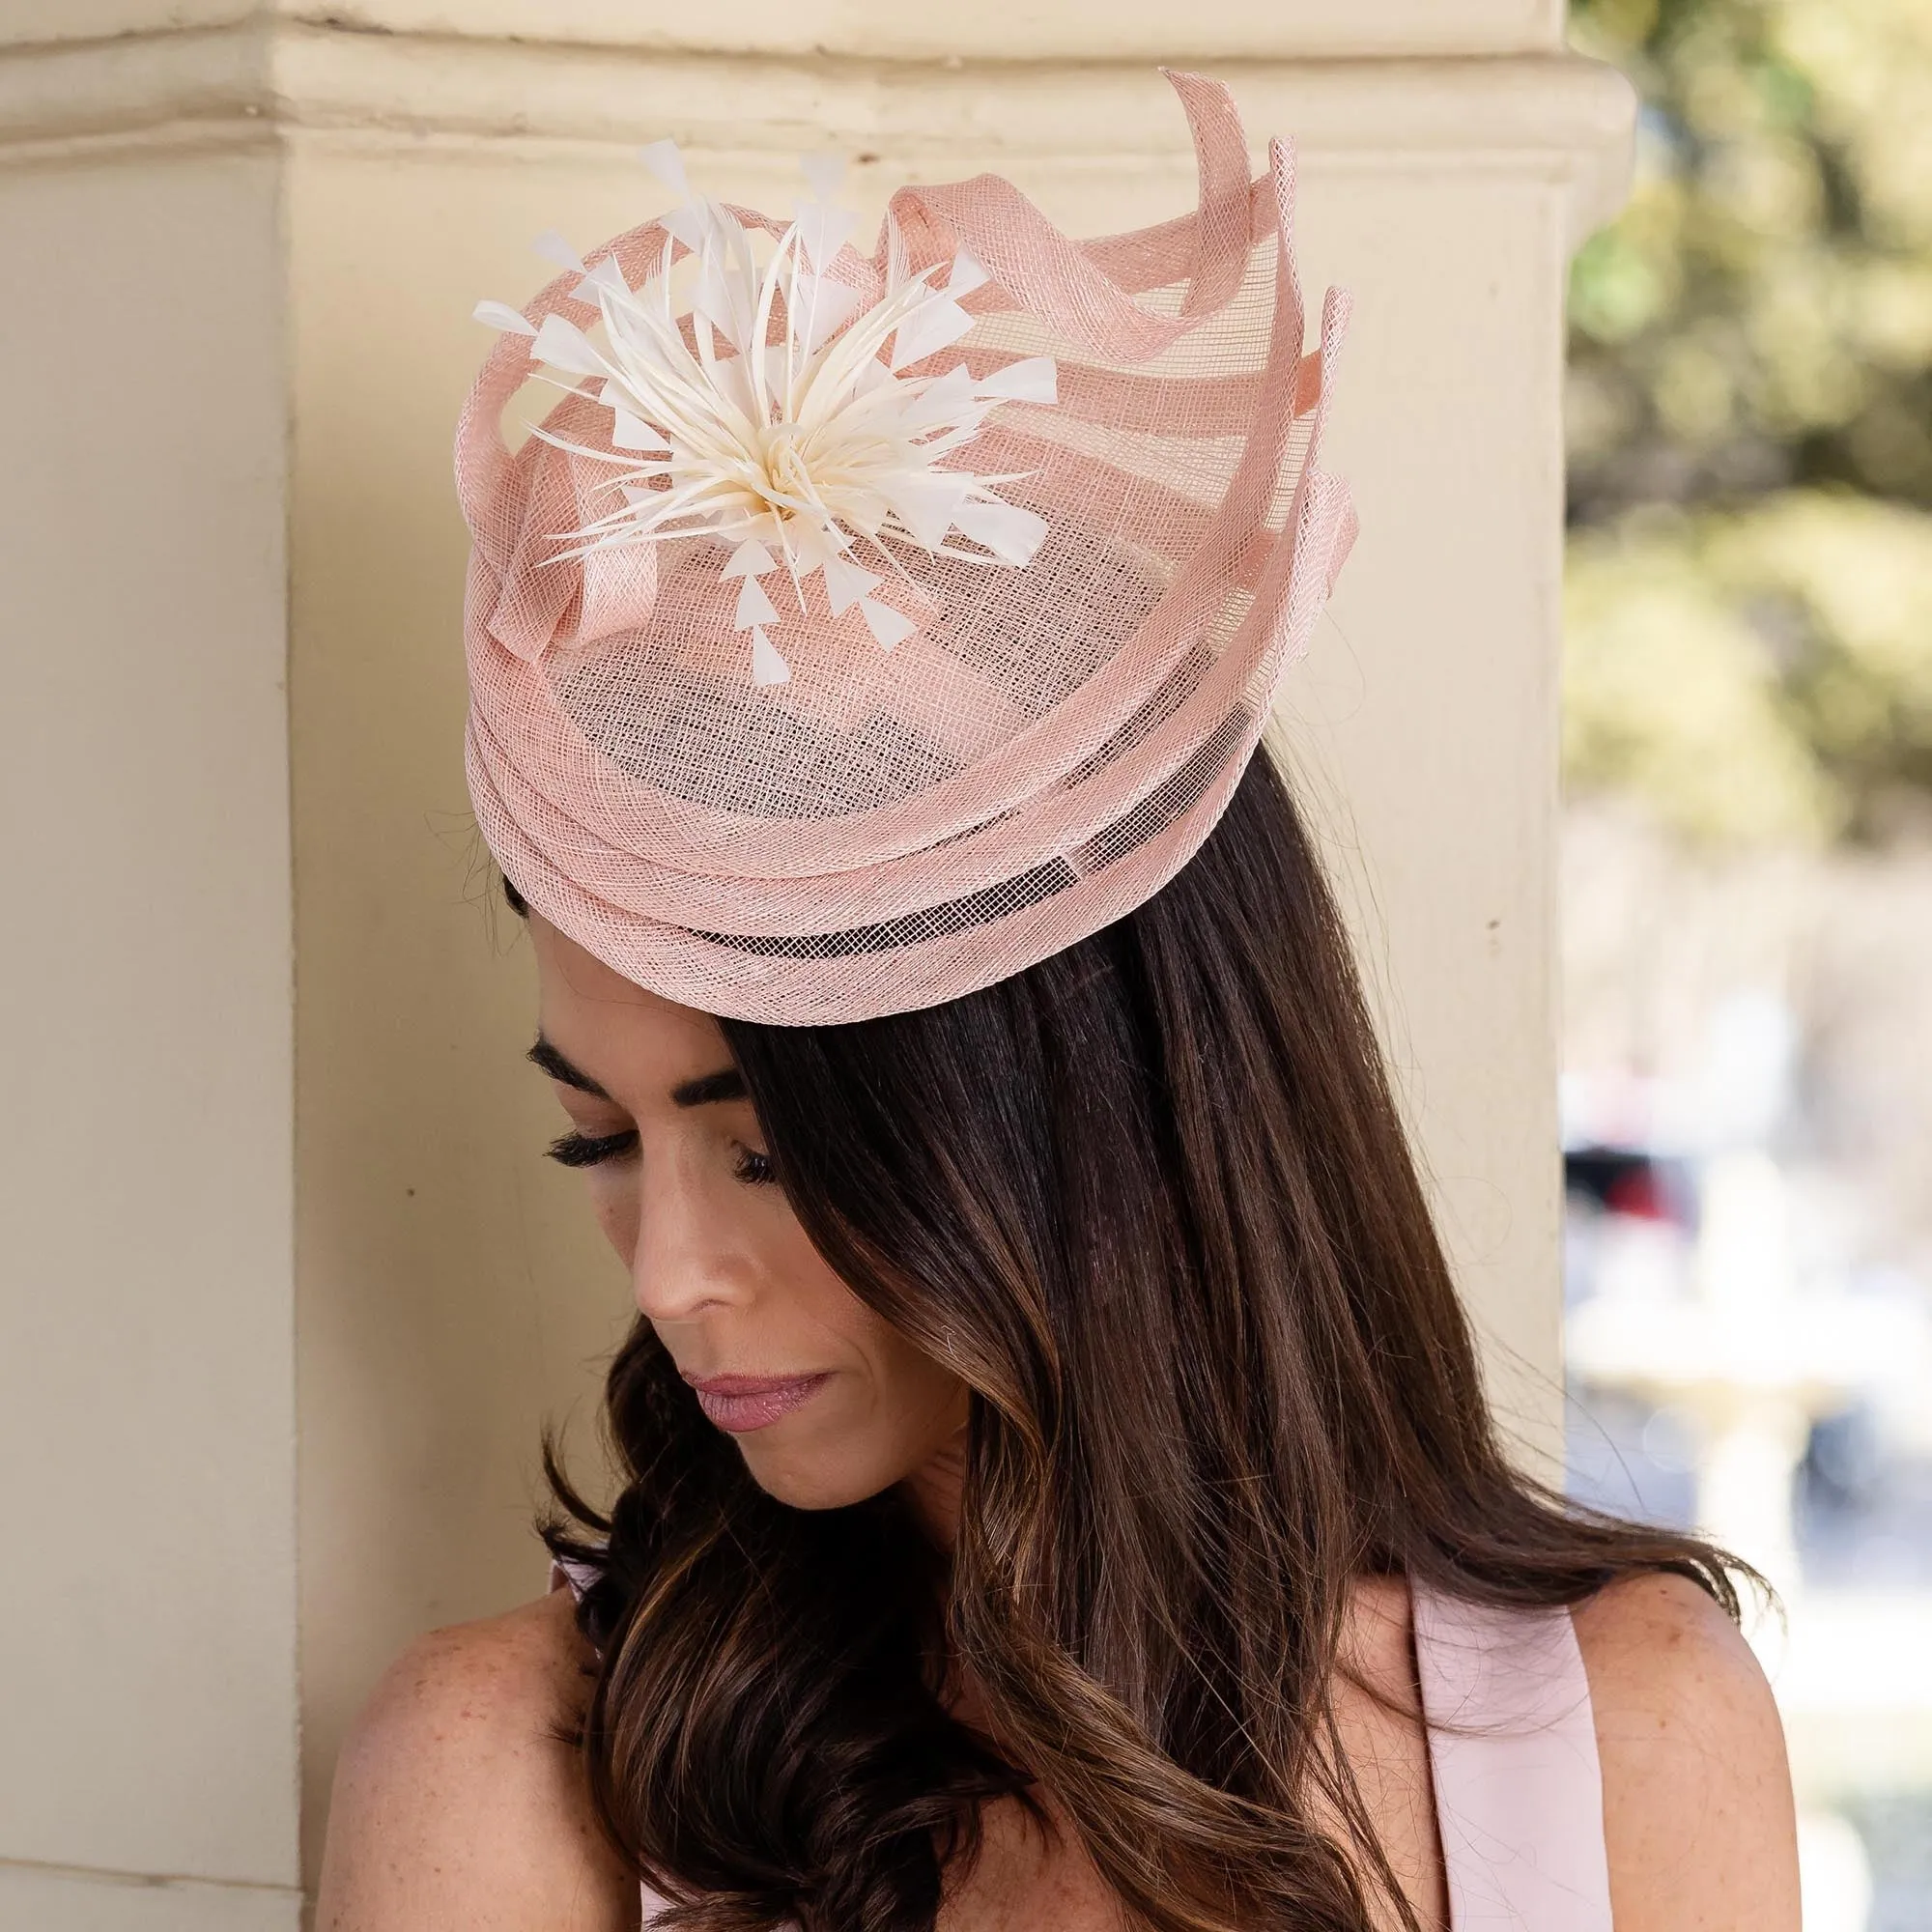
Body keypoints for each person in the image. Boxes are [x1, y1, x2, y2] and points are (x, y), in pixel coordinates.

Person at [314, 71, 1801, 1932]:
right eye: (594, 1139)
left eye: (765, 1155)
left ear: (1088, 1112)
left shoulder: (1625, 1729)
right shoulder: (524, 1769)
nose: (666, 1270)